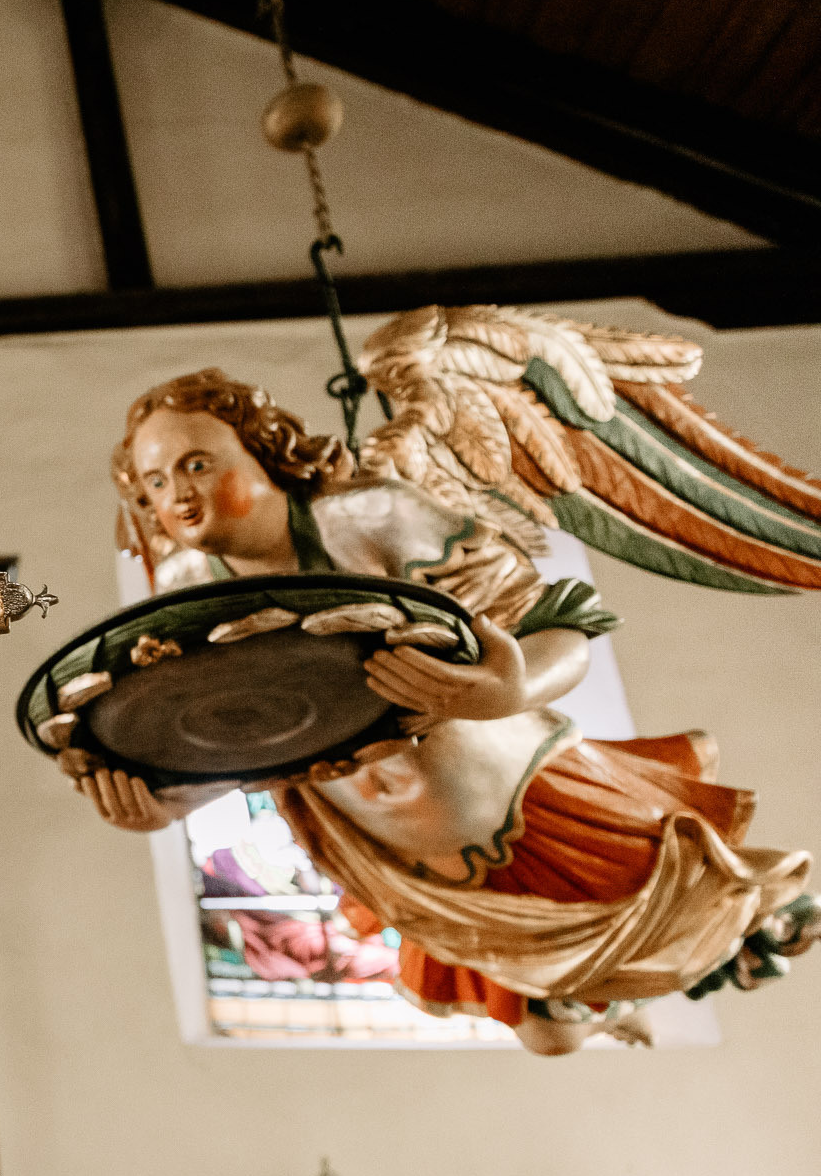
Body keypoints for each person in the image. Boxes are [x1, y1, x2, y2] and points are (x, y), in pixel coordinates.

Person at [76, 370, 815, 1054]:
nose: (176, 492)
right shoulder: (178, 594)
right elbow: (227, 746)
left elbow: (564, 623)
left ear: (264, 453)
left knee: (693, 904)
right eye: (153, 480)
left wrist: (511, 686)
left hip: (517, 794)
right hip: (400, 853)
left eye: (197, 463)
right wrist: (162, 800)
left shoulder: (373, 517)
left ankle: (753, 930)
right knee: (548, 1037)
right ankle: (617, 998)